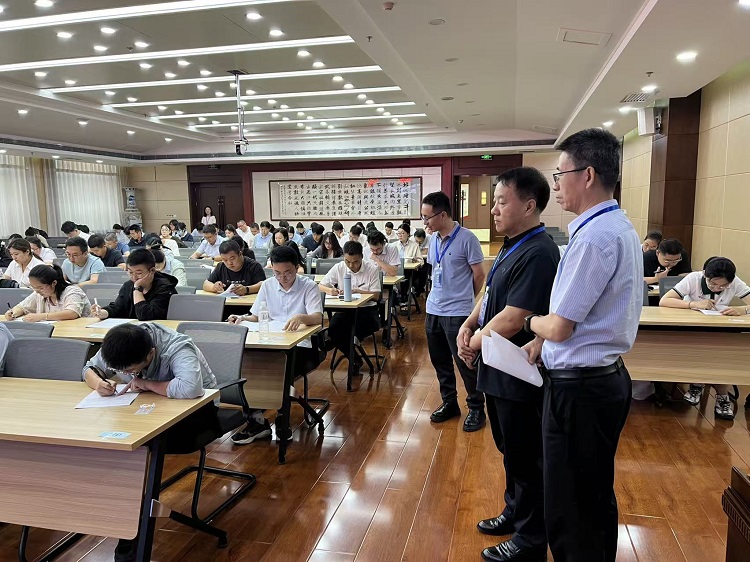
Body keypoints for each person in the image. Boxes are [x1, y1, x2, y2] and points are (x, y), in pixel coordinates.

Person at [522, 128, 641, 562]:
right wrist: (542, 340)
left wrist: (531, 324)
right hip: (599, 381)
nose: (555, 186)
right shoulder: (615, 226)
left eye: (560, 175)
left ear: (587, 175)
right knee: (590, 495)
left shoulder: (593, 237)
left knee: (571, 504)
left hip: (581, 390)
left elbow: (560, 326)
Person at [456, 167, 560, 562]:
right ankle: (515, 513)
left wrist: (473, 343)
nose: (494, 209)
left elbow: (515, 317)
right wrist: (469, 323)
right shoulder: (511, 244)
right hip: (497, 367)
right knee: (509, 449)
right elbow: (489, 295)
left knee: (525, 455)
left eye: (502, 201)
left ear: (529, 206)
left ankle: (530, 539)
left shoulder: (540, 252)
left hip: (519, 370)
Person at [82, 321, 218, 562]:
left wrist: (145, 383)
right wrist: (99, 383)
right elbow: (89, 368)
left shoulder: (177, 346)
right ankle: (126, 515)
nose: (127, 374)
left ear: (150, 354)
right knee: (109, 440)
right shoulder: (118, 345)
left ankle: (133, 530)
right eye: (121, 371)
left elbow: (190, 388)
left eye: (132, 370)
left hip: (197, 415)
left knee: (133, 448)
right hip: (144, 412)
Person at [227, 245, 323, 444]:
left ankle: (282, 417)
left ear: (297, 267)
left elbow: (317, 318)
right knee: (246, 366)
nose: (282, 278)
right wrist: (241, 318)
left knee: (277, 369)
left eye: (287, 272)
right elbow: (256, 316)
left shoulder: (308, 286)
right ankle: (257, 420)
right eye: (277, 273)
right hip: (270, 344)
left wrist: (301, 317)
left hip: (301, 347)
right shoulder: (268, 285)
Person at [421, 191, 486, 431]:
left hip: (457, 312)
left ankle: (476, 407)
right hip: (433, 309)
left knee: (465, 362)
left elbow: (479, 275)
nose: (425, 223)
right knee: (440, 362)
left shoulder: (467, 239)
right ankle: (450, 402)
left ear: (443, 215)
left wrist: (465, 299)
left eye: (427, 217)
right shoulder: (433, 239)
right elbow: (436, 269)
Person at [660, 256, 750, 419]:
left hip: (720, 330)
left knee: (720, 355)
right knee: (709, 354)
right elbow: (665, 301)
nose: (718, 288)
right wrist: (693, 304)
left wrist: (742, 310)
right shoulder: (693, 279)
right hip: (691, 330)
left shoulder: (735, 282)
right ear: (705, 275)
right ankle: (704, 387)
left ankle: (712, 392)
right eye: (713, 284)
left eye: (723, 286)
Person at [319, 241, 381, 371]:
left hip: (367, 311)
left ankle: (335, 344)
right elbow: (320, 285)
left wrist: (359, 291)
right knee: (334, 327)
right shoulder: (339, 267)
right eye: (347, 261)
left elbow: (376, 296)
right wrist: (330, 290)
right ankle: (355, 358)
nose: (351, 265)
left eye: (355, 262)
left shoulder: (371, 269)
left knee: (343, 332)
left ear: (362, 257)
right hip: (346, 310)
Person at [91, 248, 177, 321]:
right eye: (130, 272)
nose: (134, 277)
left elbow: (145, 315)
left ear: (152, 271)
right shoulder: (128, 285)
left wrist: (137, 288)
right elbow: (118, 308)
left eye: (139, 273)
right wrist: (102, 313)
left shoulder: (165, 288)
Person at [5, 264, 91, 322]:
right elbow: (22, 307)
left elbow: (72, 313)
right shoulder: (39, 293)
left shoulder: (72, 292)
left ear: (54, 283)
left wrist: (42, 316)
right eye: (34, 287)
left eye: (40, 288)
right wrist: (13, 313)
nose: (37, 291)